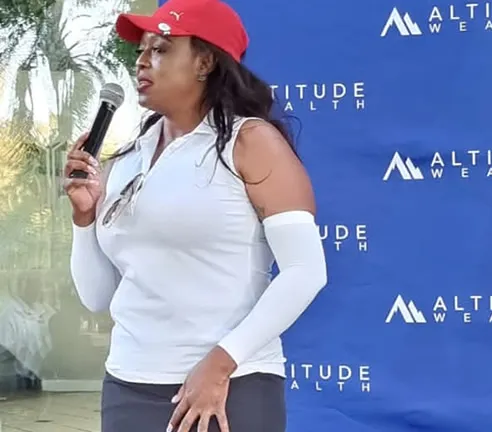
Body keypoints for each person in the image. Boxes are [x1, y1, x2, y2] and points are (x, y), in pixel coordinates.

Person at [63, 0, 328, 430]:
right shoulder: (126, 160)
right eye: (141, 51)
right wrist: (84, 218)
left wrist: (221, 364)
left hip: (230, 386)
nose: (141, 61)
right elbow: (97, 298)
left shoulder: (250, 142)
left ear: (205, 62)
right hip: (129, 385)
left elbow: (306, 271)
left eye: (160, 49)